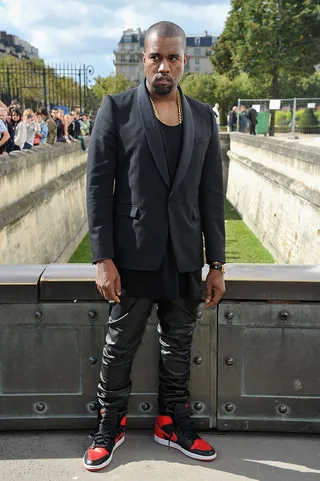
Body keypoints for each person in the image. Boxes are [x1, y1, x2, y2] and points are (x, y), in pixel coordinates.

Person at [85, 21, 226, 472]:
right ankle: (110, 425)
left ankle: (173, 422)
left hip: (185, 255)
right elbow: (97, 190)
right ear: (143, 58)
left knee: (178, 345)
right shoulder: (116, 109)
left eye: (172, 58)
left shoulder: (204, 116)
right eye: (155, 57)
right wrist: (102, 257)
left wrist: (217, 262)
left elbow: (210, 196)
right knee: (119, 344)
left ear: (184, 61)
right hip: (131, 256)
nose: (163, 66)